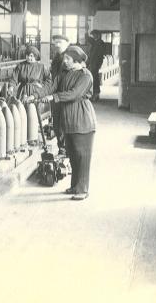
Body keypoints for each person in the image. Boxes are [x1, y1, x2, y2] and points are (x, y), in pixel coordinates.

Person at [32, 45, 96, 201]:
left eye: (67, 58)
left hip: (82, 119)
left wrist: (54, 97)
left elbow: (75, 94)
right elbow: (50, 86)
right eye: (65, 58)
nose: (64, 61)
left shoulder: (85, 75)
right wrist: (35, 95)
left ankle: (83, 189)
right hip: (68, 120)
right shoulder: (64, 74)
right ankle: (75, 185)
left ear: (76, 60)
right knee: (73, 155)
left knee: (82, 156)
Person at [50, 34, 70, 152]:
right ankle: (61, 146)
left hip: (65, 94)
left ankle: (66, 148)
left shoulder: (69, 57)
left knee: (65, 121)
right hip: (55, 93)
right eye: (55, 43)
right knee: (56, 122)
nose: (57, 45)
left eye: (60, 42)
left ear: (67, 43)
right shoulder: (56, 57)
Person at [87, 30, 107, 102]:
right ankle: (95, 94)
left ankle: (96, 94)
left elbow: (99, 55)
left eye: (94, 35)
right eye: (92, 35)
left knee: (94, 78)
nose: (93, 36)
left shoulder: (100, 42)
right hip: (93, 62)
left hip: (96, 63)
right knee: (93, 78)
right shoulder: (95, 42)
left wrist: (96, 64)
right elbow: (89, 39)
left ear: (98, 35)